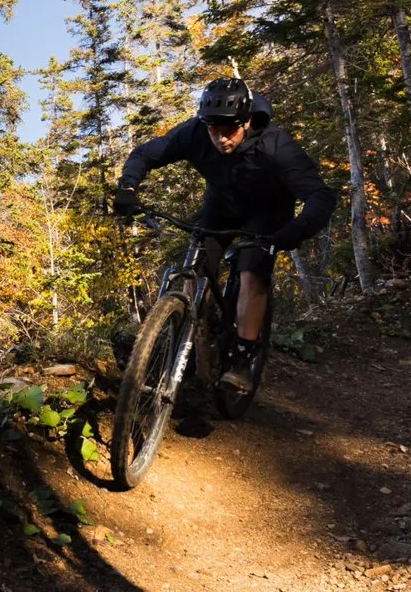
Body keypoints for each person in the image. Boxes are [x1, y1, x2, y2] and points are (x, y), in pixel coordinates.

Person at [109, 77, 337, 398]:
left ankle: (243, 355)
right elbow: (146, 154)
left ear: (246, 121)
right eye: (213, 128)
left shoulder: (275, 145)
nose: (220, 137)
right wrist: (128, 187)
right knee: (197, 263)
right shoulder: (197, 132)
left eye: (229, 129)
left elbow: (320, 195)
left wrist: (296, 230)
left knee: (251, 270)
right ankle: (179, 335)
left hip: (268, 212)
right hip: (221, 207)